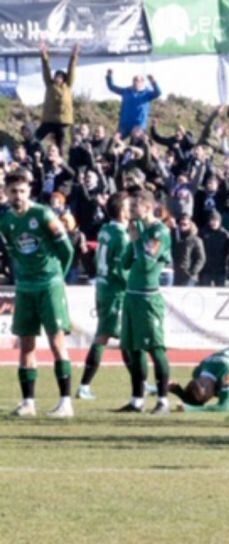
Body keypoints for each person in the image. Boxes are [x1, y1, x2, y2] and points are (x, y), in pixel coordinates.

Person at [0, 170, 75, 417]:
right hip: (25, 287)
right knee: (26, 345)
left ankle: (65, 402)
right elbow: (13, 252)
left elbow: (66, 249)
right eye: (13, 191)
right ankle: (28, 403)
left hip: (49, 285)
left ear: (29, 191)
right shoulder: (5, 221)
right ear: (6, 192)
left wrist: (58, 278)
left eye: (22, 191)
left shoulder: (43, 214)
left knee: (56, 342)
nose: (18, 196)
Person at [113, 190, 173, 415]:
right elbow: (126, 264)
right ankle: (137, 400)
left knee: (155, 348)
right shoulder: (139, 230)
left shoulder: (160, 231)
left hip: (148, 298)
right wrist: (132, 240)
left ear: (147, 208)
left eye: (134, 207)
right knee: (133, 349)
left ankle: (163, 401)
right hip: (131, 296)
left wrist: (138, 242)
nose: (129, 212)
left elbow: (147, 264)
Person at [76, 193, 130, 400]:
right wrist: (135, 283)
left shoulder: (106, 229)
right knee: (104, 335)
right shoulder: (121, 236)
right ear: (122, 210)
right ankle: (84, 386)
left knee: (126, 337)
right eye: (127, 206)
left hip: (103, 286)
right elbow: (119, 269)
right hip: (114, 291)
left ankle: (141, 383)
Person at [37, 42, 80, 149]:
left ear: (64, 79)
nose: (58, 79)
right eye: (56, 76)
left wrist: (74, 55)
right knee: (36, 139)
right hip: (49, 120)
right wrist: (44, 54)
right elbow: (46, 69)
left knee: (60, 145)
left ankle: (59, 161)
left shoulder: (68, 85)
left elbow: (71, 69)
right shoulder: (49, 84)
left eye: (60, 77)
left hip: (63, 121)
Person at [105, 69, 161, 138]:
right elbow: (112, 87)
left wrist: (153, 81)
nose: (135, 82)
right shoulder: (126, 91)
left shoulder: (147, 94)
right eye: (134, 80)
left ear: (142, 82)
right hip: (125, 125)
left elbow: (158, 92)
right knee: (114, 140)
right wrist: (109, 76)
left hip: (139, 126)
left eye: (137, 80)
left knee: (141, 142)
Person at [171, 213, 205, 286]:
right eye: (181, 224)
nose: (182, 226)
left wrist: (192, 272)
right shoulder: (177, 239)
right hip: (176, 274)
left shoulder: (196, 240)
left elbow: (201, 258)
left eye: (185, 224)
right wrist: (173, 229)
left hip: (189, 276)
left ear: (190, 225)